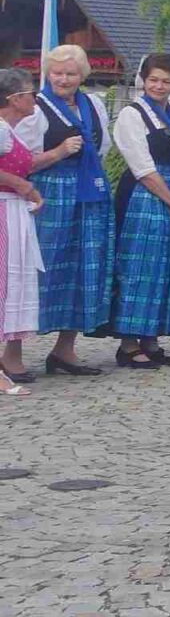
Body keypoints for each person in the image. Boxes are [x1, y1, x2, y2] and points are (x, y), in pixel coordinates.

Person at [18, 46, 112, 375]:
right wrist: (59, 152)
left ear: (82, 76)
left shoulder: (93, 105)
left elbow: (102, 147)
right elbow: (23, 162)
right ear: (47, 73)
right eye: (57, 73)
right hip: (49, 194)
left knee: (81, 267)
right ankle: (12, 354)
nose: (63, 79)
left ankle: (64, 350)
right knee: (40, 270)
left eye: (71, 73)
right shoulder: (35, 109)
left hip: (87, 192)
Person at [110, 52, 170, 367]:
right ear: (143, 80)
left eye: (166, 81)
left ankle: (151, 340)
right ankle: (128, 344)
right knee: (140, 268)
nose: (159, 86)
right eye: (153, 80)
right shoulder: (132, 115)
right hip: (146, 197)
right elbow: (142, 168)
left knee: (167, 268)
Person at [0, 71, 45, 392]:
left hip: (13, 210)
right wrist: (20, 184)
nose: (35, 99)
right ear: (14, 99)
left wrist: (27, 189)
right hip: (3, 210)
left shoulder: (11, 131)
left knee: (10, 285)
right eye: (31, 93)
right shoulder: (1, 129)